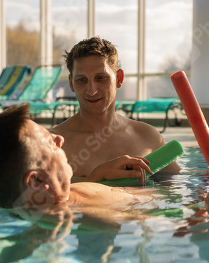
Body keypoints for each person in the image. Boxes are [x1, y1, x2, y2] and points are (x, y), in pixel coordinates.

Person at [0, 104, 209, 214]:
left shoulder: (64, 200)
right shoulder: (75, 218)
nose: (58, 138)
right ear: (38, 181)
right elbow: (180, 235)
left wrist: (95, 178)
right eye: (48, 140)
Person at [50, 36, 181, 181]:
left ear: (119, 79)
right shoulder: (54, 144)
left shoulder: (147, 137)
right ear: (71, 83)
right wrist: (95, 177)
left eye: (101, 78)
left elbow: (178, 186)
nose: (91, 90)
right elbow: (34, 194)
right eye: (81, 80)